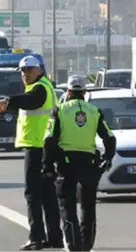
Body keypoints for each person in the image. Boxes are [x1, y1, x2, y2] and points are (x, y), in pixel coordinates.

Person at [0, 56, 63, 250]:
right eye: (22, 71)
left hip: (37, 147)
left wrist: (10, 100)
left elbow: (32, 102)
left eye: (28, 70)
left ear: (39, 70)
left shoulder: (40, 88)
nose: (24, 74)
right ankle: (55, 237)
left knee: (32, 194)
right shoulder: (43, 86)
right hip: (45, 146)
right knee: (47, 194)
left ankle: (37, 238)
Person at [42, 81, 116, 252]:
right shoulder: (94, 111)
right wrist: (107, 158)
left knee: (67, 206)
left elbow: (49, 139)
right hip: (89, 163)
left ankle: (74, 245)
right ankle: (86, 246)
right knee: (88, 207)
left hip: (66, 164)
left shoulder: (59, 110)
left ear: (68, 92)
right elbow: (110, 138)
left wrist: (47, 166)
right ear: (84, 92)